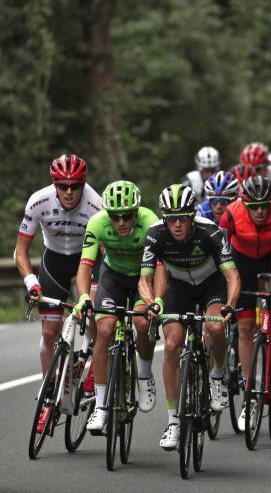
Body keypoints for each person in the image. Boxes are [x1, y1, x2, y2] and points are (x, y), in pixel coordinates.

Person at [138, 184, 240, 449]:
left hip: (211, 285)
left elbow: (232, 276)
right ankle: (173, 422)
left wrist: (230, 305)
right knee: (172, 345)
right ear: (164, 218)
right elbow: (145, 279)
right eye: (171, 219)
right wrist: (151, 302)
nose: (177, 225)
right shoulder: (155, 234)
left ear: (192, 215)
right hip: (179, 288)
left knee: (215, 329)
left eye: (183, 217)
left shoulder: (210, 231)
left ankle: (217, 376)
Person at [75, 181, 159, 432]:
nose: (121, 222)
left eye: (126, 216)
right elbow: (85, 265)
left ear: (136, 212)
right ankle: (100, 407)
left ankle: (144, 375)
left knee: (142, 322)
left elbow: (159, 267)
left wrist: (156, 300)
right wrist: (83, 297)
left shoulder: (150, 222)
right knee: (104, 330)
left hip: (143, 277)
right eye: (115, 217)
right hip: (112, 276)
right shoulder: (97, 223)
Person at [218, 176, 271, 430]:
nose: (261, 211)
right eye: (254, 207)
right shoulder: (229, 217)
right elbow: (220, 253)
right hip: (242, 260)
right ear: (244, 204)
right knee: (244, 328)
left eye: (265, 205)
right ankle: (250, 389)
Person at [16, 155, 101, 380]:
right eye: (63, 186)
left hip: (88, 259)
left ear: (83, 184)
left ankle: (96, 367)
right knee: (49, 333)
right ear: (55, 184)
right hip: (55, 260)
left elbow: (105, 252)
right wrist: (31, 282)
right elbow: (20, 251)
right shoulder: (39, 201)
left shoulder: (96, 204)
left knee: (96, 318)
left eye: (75, 186)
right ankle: (49, 391)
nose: (69, 191)